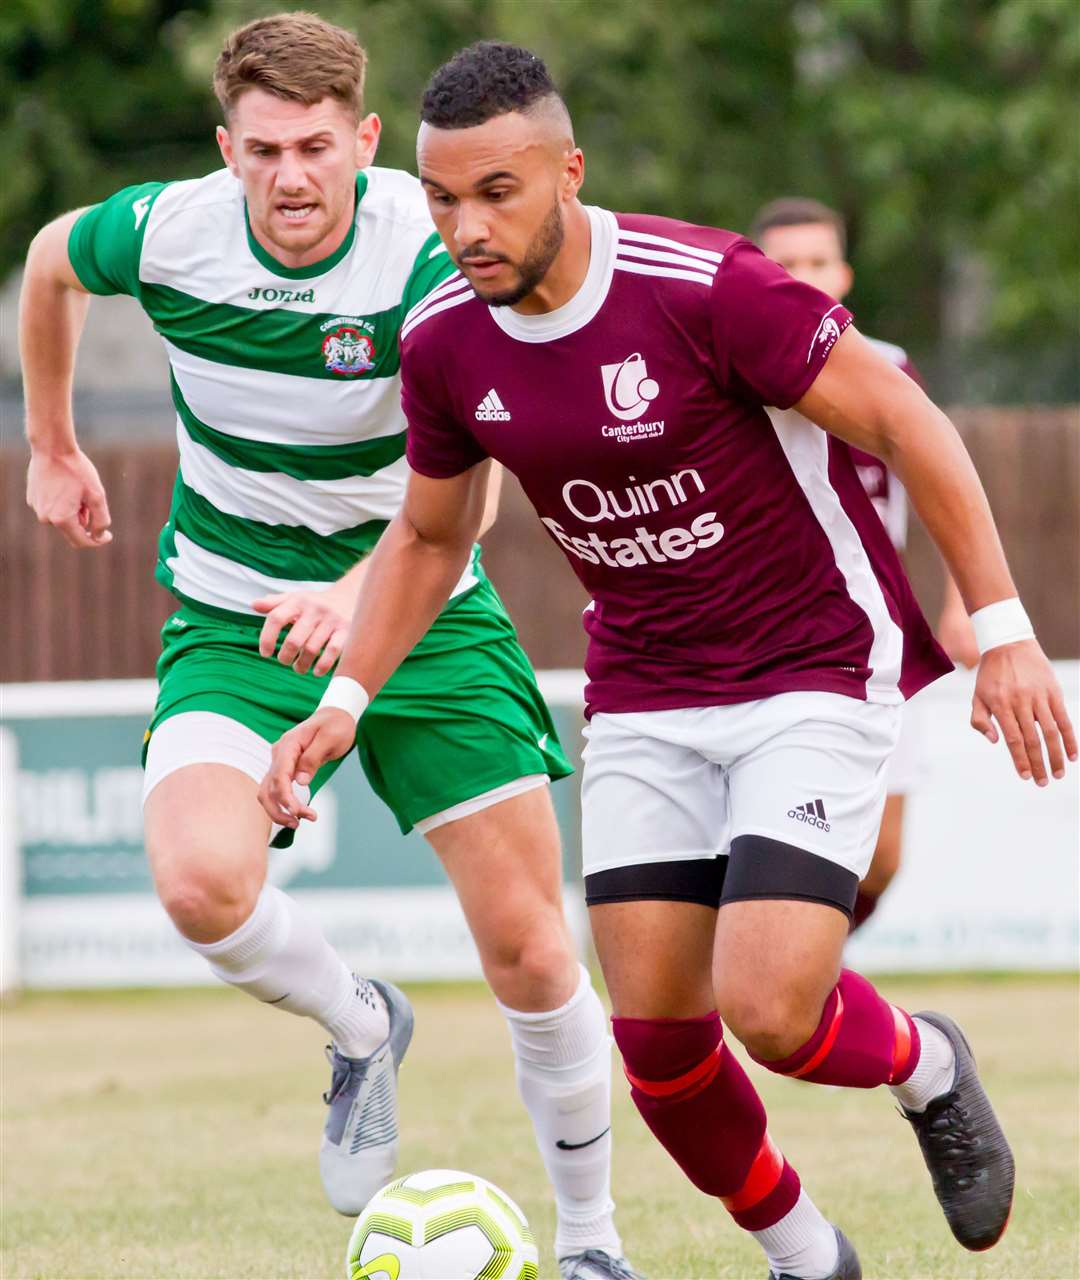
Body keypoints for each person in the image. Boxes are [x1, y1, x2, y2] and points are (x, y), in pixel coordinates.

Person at [260, 41, 1077, 1280]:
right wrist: (346, 695)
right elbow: (430, 534)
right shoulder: (441, 341)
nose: (466, 226)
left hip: (811, 661)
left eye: (498, 191)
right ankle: (809, 1258)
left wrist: (1005, 630)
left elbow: (910, 418)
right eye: (441, 198)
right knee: (657, 1042)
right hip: (643, 687)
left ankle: (927, 1062)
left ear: (567, 172)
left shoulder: (704, 286)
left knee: (773, 1007)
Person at [20, 18, 641, 1277]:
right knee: (200, 882)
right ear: (225, 149)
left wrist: (362, 592)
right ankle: (362, 1024)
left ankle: (593, 1243)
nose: (290, 176)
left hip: (425, 608)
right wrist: (51, 443)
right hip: (230, 611)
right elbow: (46, 264)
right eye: (262, 150)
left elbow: (473, 479)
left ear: (366, 140)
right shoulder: (170, 231)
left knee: (529, 941)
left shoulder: (430, 245)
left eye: (316, 145)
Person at [750, 197, 980, 929]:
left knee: (881, 857)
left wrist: (960, 603)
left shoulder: (888, 368)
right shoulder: (734, 372)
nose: (804, 277)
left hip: (877, 636)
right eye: (785, 265)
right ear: (757, 274)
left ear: (843, 273)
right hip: (768, 640)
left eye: (817, 262)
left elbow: (935, 483)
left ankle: (800, 980)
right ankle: (752, 984)